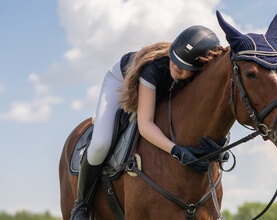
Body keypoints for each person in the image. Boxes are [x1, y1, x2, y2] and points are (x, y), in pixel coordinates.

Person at [70, 25, 224, 220]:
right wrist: (176, 150)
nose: (177, 67)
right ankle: (81, 204)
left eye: (185, 67)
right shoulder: (156, 68)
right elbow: (145, 125)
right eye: (175, 60)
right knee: (100, 143)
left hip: (161, 89)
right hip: (120, 81)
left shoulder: (197, 80)